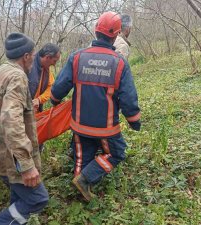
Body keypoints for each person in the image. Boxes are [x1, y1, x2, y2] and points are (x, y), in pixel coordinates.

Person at [50, 11, 141, 202]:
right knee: (116, 154)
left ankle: (80, 186)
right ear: (116, 35)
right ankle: (85, 180)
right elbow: (128, 97)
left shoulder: (77, 57)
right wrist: (134, 120)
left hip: (79, 124)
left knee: (82, 156)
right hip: (106, 127)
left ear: (95, 30)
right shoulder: (119, 62)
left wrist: (54, 100)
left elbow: (59, 87)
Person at [0, 32, 49, 225]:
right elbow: (11, 119)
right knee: (38, 198)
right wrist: (26, 165)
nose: (34, 59)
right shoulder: (17, 77)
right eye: (33, 55)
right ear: (26, 56)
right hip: (11, 157)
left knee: (19, 195)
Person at [28, 43, 60, 113]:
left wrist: (39, 99)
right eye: (54, 61)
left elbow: (51, 87)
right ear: (47, 57)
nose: (54, 64)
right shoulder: (28, 64)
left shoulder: (46, 69)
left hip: (35, 113)